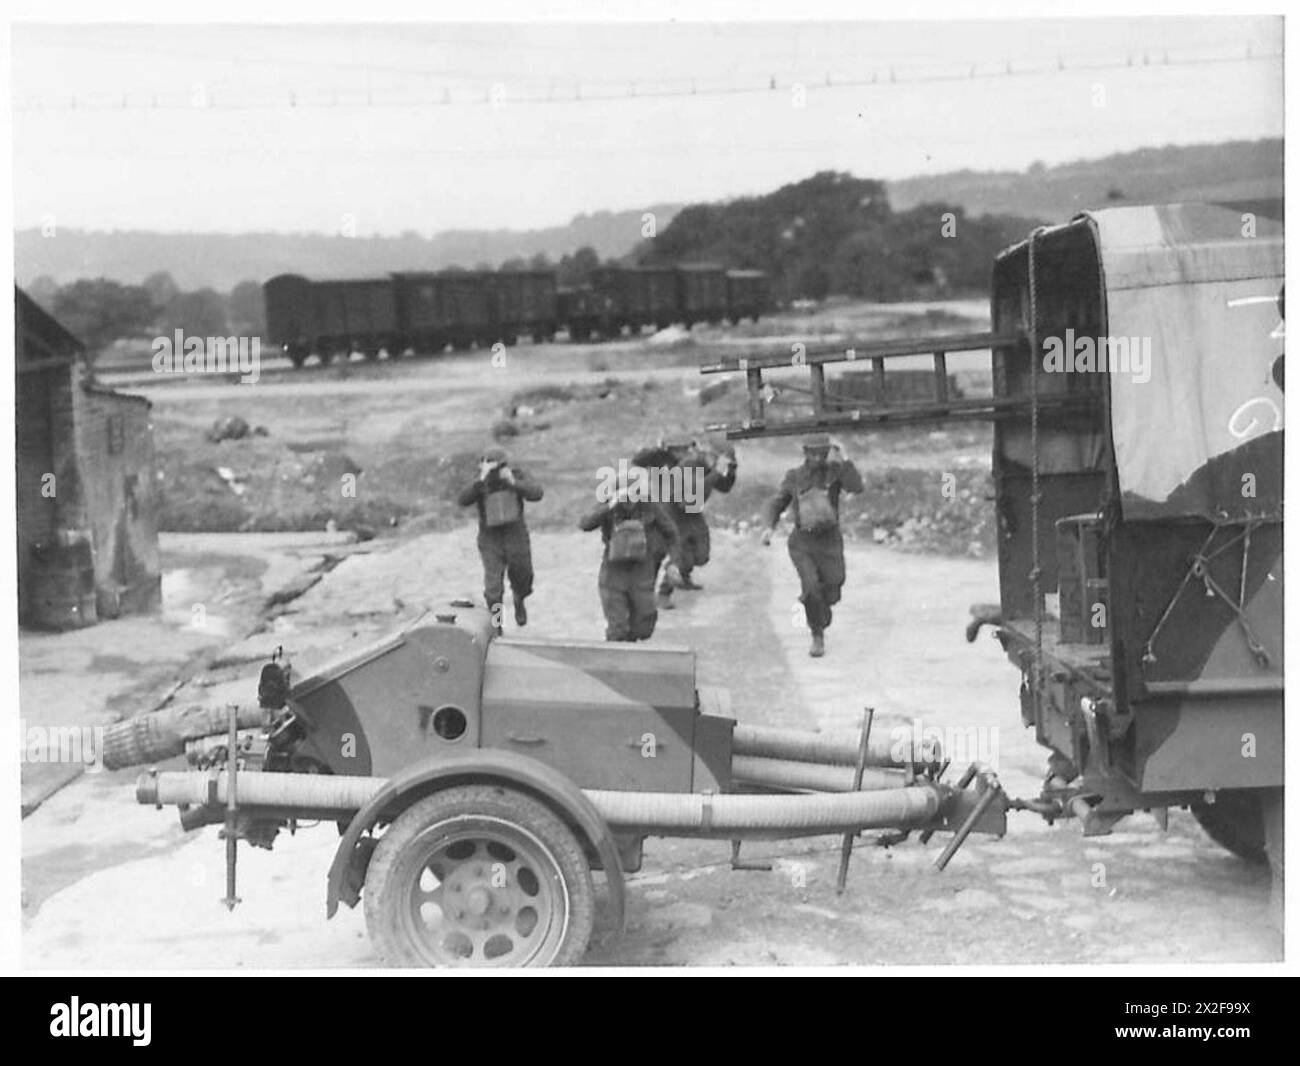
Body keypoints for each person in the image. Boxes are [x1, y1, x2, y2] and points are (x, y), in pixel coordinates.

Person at [761, 433, 863, 657]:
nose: (818, 457)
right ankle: (817, 635)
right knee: (811, 587)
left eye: (823, 453)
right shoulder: (795, 476)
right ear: (806, 453)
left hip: (830, 541)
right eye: (814, 453)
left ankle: (817, 607)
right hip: (803, 543)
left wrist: (844, 458)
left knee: (834, 584)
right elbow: (777, 503)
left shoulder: (836, 472)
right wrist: (769, 526)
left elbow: (856, 487)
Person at [633, 437, 737, 610]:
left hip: (692, 513)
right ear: (711, 455)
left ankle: (684, 578)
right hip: (674, 511)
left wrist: (731, 472)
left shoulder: (708, 466)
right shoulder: (689, 465)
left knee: (701, 555)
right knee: (678, 553)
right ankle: (663, 593)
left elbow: (724, 487)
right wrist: (717, 472)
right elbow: (692, 496)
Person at [579, 468, 679, 642]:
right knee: (618, 629)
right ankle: (617, 659)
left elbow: (672, 533)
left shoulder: (649, 506)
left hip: (641, 572)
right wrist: (610, 505)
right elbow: (585, 524)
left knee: (643, 626)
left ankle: (630, 649)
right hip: (613, 574)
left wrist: (673, 562)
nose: (629, 501)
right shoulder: (609, 505)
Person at [457, 445, 543, 631]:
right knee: (493, 590)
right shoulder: (480, 480)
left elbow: (537, 493)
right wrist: (481, 480)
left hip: (515, 535)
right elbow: (462, 499)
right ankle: (497, 625)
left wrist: (512, 482)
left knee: (523, 577)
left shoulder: (515, 474)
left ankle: (520, 597)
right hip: (490, 539)